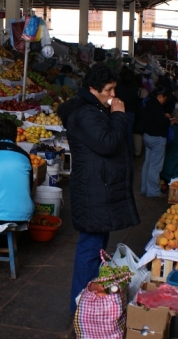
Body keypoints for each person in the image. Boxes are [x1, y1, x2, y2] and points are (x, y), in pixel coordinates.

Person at [57, 63, 139, 314]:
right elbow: (107, 144)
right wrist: (118, 116)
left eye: (114, 89)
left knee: (98, 249)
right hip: (93, 191)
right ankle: (80, 307)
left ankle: (89, 302)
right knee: (90, 250)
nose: (114, 95)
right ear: (93, 90)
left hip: (99, 189)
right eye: (109, 90)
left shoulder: (92, 108)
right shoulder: (85, 114)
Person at [139, 86, 178, 197]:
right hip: (157, 138)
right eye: (164, 99)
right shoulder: (156, 104)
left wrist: (163, 116)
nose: (164, 102)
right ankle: (153, 191)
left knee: (147, 164)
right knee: (155, 166)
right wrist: (169, 121)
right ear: (160, 96)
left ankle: (144, 188)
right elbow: (161, 123)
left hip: (147, 136)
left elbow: (152, 118)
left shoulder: (147, 102)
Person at [117, 68, 141, 155]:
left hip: (120, 111)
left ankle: (121, 153)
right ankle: (129, 153)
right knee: (129, 134)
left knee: (120, 133)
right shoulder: (134, 87)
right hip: (131, 112)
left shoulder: (119, 86)